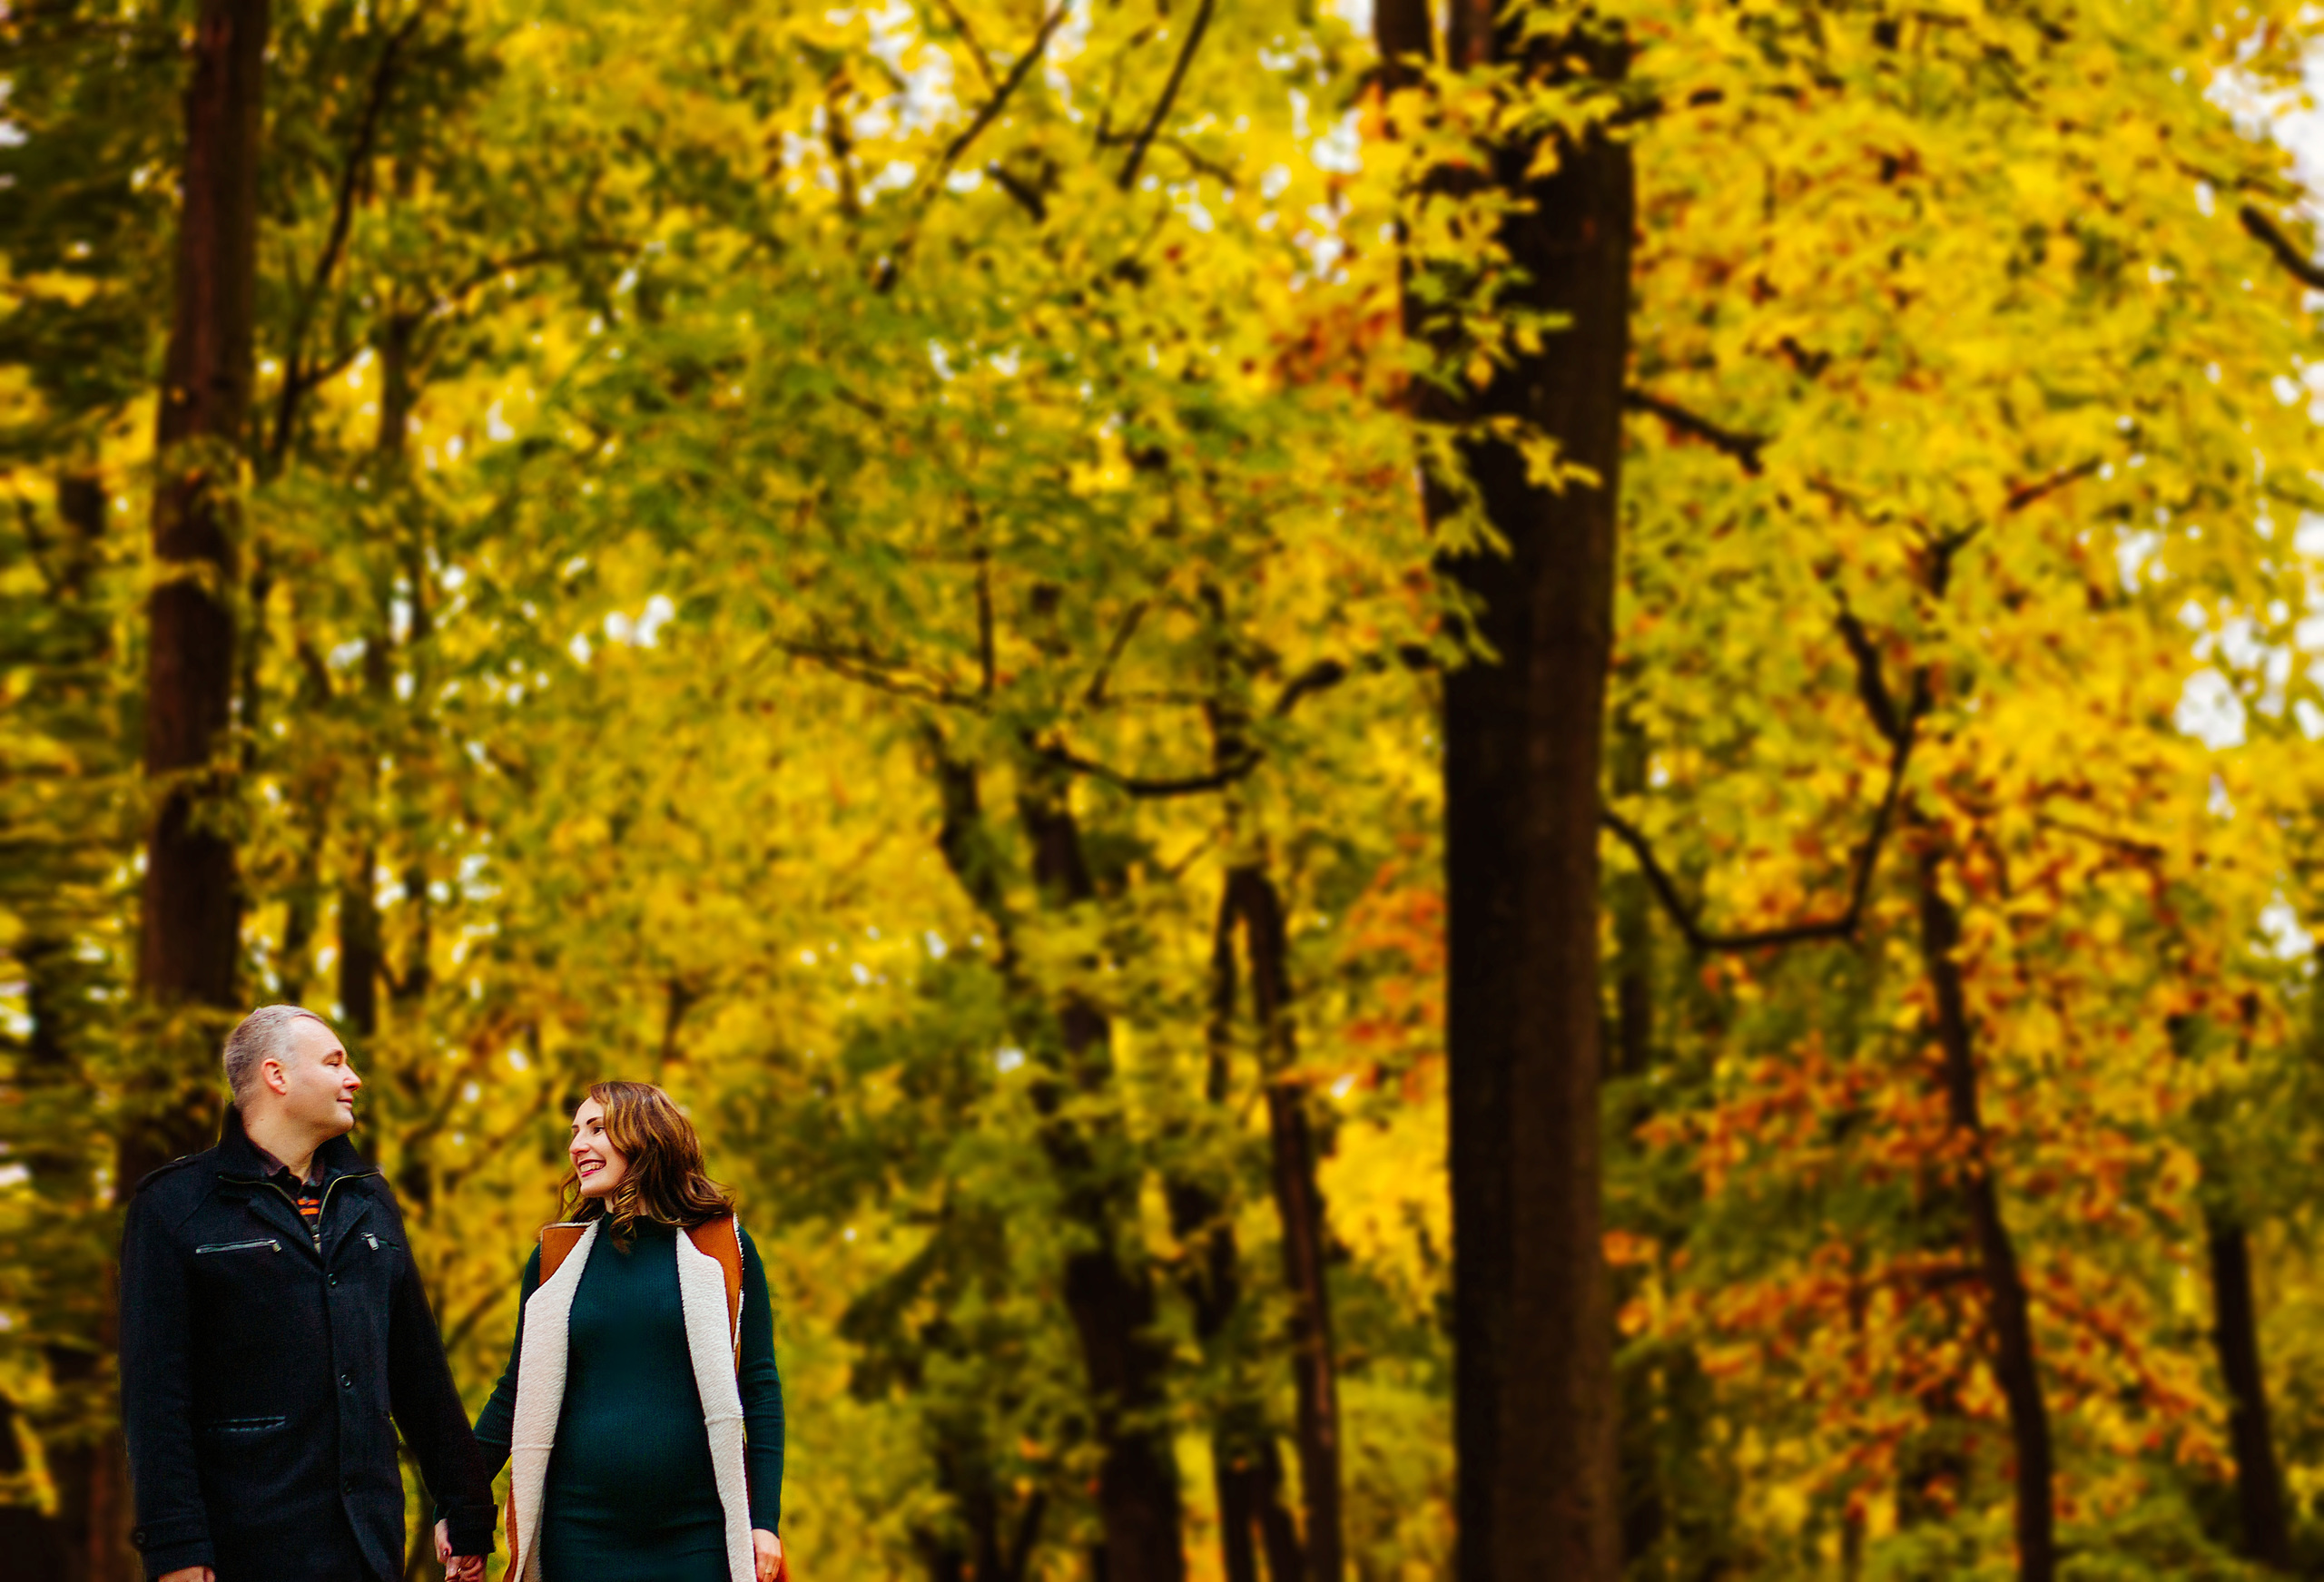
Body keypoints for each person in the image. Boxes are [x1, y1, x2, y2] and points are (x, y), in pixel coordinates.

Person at [118, 1005, 496, 1582]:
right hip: (244, 1546)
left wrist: (466, 1508)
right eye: (335, 1062)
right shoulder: (173, 1206)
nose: (354, 1078)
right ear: (277, 1076)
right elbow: (156, 1400)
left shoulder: (369, 1199)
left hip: (368, 1543)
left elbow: (418, 1368)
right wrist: (177, 1551)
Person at [449, 1080, 785, 1582]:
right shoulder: (555, 1260)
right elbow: (516, 1390)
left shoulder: (723, 1248)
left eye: (596, 1128)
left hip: (699, 1534)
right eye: (574, 1131)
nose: (576, 1145)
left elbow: (759, 1388)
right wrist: (460, 1506)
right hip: (579, 1533)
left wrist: (765, 1524)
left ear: (647, 1137)